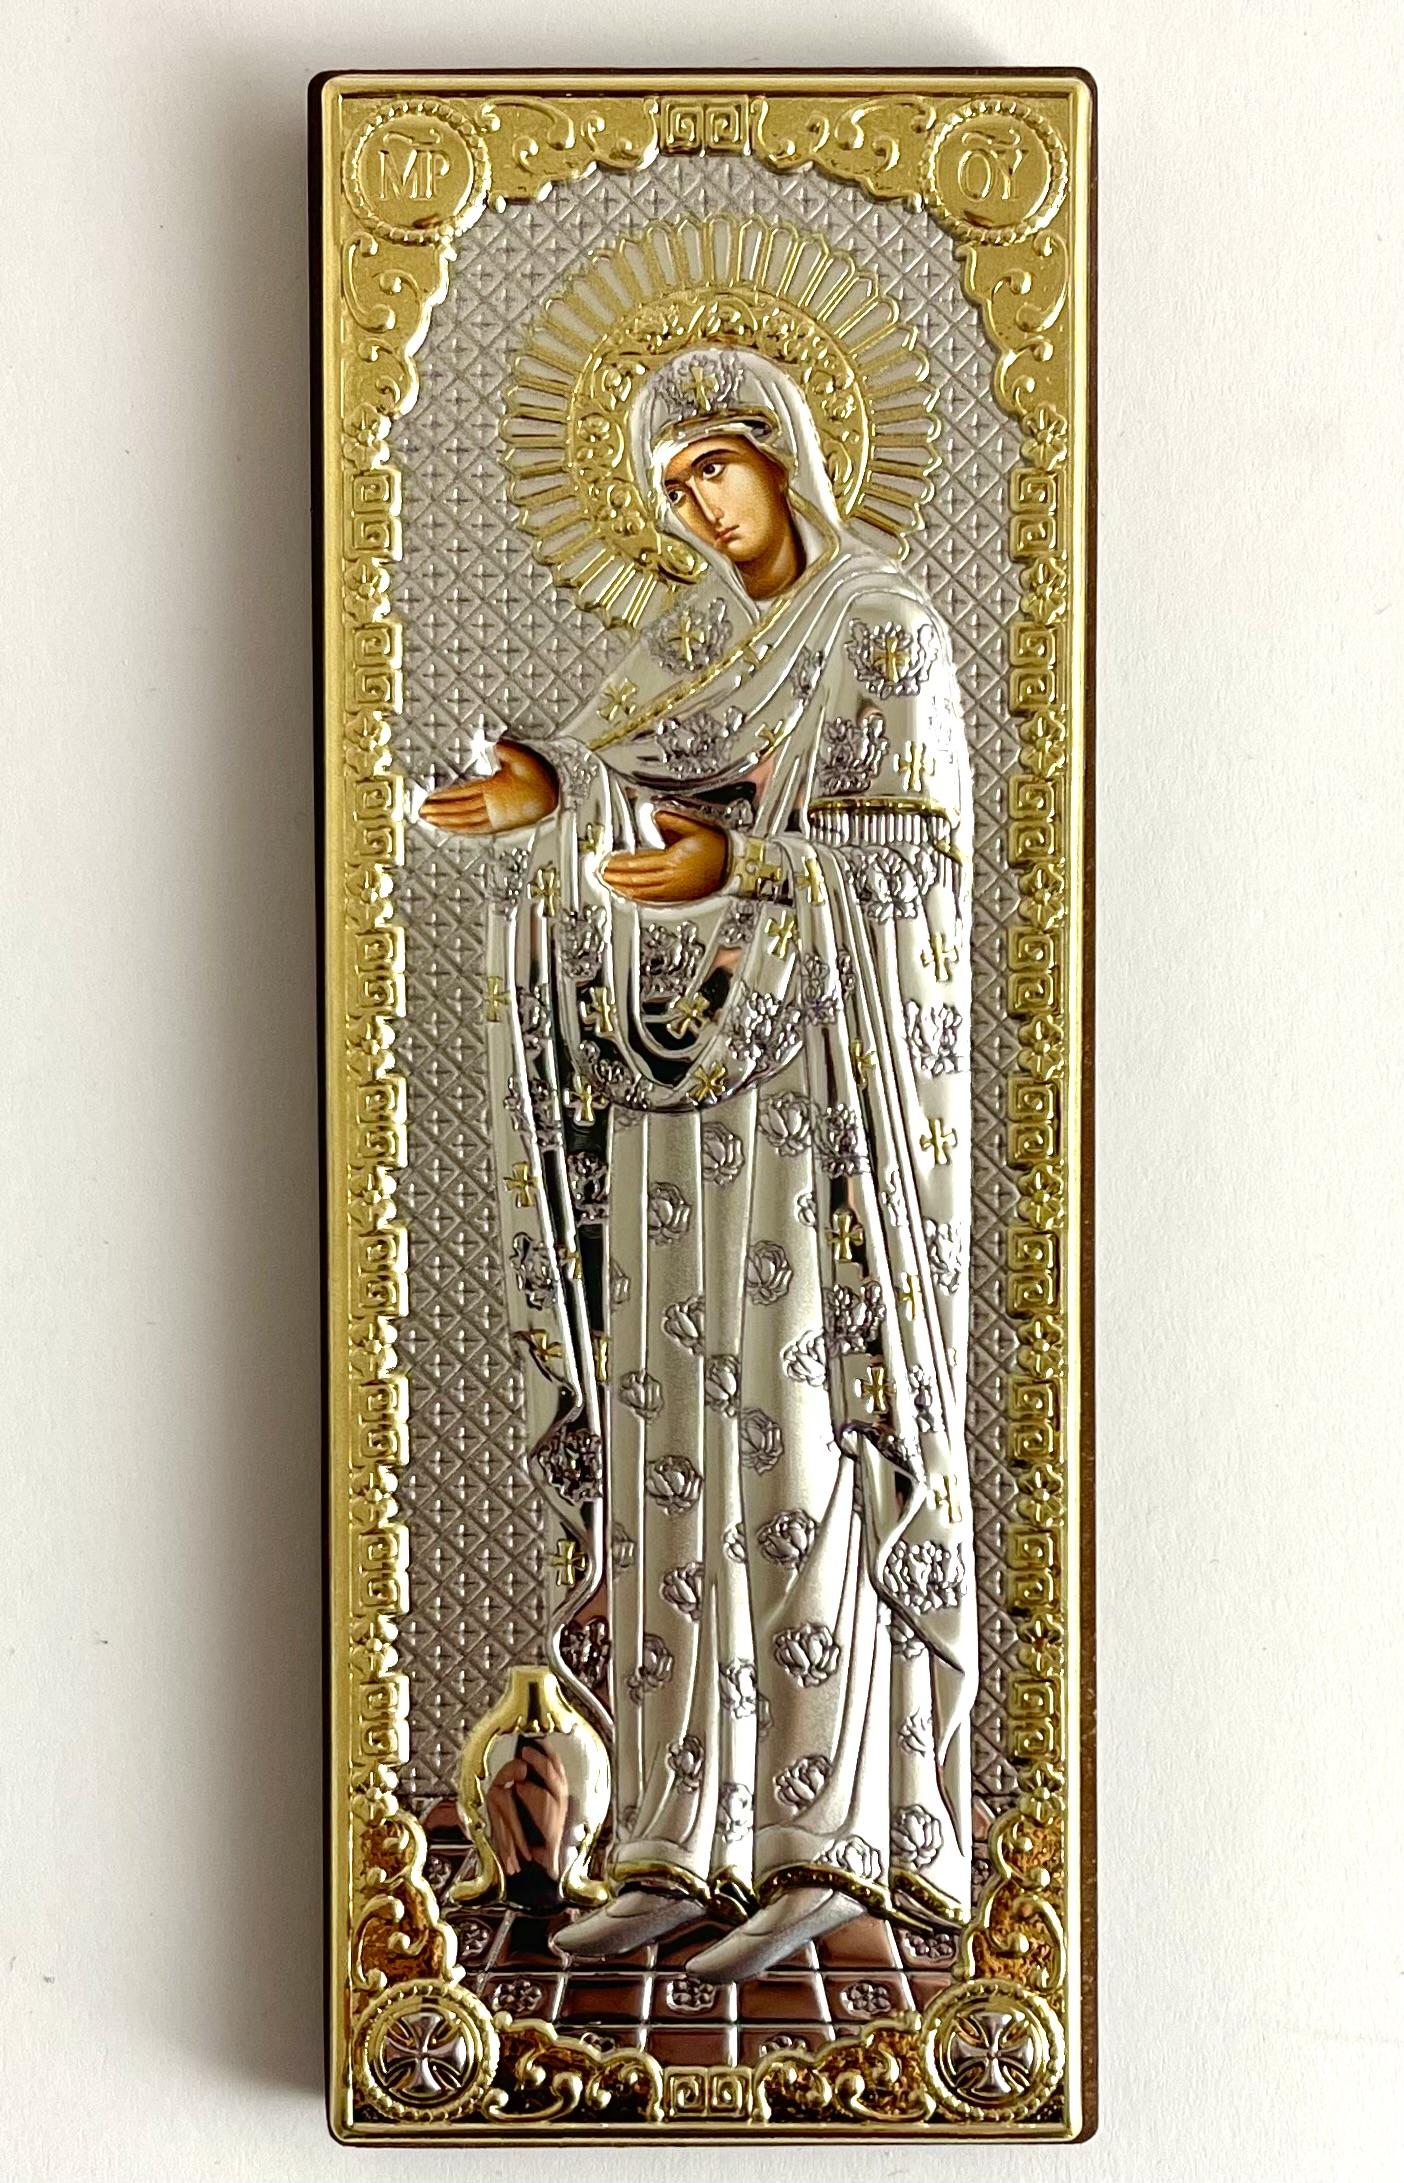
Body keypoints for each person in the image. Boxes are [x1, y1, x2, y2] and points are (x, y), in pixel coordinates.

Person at [423, 345, 977, 1980]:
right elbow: (621, 803)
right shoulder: (686, 645)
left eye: (716, 468)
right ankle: (681, 1836)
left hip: (820, 1112)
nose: (699, 508)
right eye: (672, 487)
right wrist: (548, 801)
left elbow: (915, 866)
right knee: (675, 1461)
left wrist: (743, 863)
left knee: (800, 1449)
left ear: (785, 454)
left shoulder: (881, 627)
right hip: (677, 1125)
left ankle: (833, 1844)